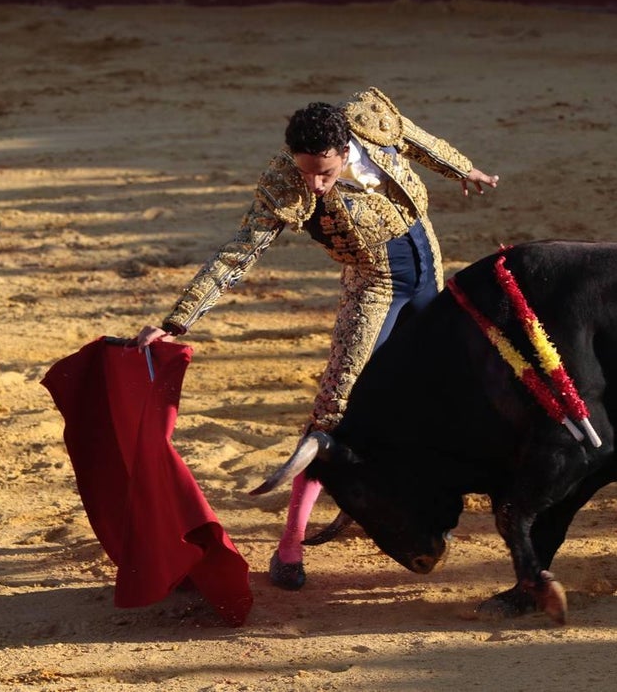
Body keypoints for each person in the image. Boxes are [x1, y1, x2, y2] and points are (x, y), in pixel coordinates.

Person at [135, 87, 498, 590]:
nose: (316, 184)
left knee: (433, 395)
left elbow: (415, 139)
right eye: (306, 171)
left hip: (427, 272)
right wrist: (178, 320)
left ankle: (421, 510)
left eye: (323, 172)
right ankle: (289, 545)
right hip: (375, 289)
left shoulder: (368, 121)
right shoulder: (286, 183)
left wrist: (464, 170)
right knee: (333, 412)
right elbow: (239, 253)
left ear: (347, 146)